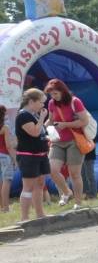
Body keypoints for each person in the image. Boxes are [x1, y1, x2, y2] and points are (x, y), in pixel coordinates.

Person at [43, 79, 90, 209]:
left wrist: (65, 125)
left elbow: (84, 121)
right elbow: (51, 120)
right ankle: (67, 192)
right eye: (51, 94)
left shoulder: (75, 102)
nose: (53, 97)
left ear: (63, 91)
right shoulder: (52, 103)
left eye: (56, 94)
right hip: (57, 141)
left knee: (75, 174)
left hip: (74, 141)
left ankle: (78, 202)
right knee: (52, 169)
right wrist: (42, 127)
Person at [14, 89, 51, 222]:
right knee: (28, 186)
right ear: (31, 102)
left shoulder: (34, 115)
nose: (43, 106)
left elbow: (40, 133)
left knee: (40, 184)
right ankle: (24, 218)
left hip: (40, 154)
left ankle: (40, 214)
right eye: (41, 102)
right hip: (28, 155)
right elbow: (34, 132)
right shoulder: (23, 116)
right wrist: (42, 118)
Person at [1, 104, 18, 212]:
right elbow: (8, 146)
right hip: (4, 156)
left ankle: (2, 206)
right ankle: (6, 207)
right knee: (7, 181)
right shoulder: (5, 128)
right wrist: (15, 159)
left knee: (1, 182)